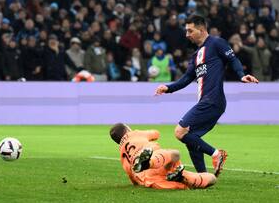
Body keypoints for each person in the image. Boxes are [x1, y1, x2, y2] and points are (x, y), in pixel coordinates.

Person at [155, 15, 259, 174]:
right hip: (206, 101)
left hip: (214, 100)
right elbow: (186, 79)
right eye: (186, 31)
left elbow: (233, 59)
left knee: (180, 132)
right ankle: (202, 176)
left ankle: (217, 154)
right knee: (191, 138)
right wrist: (168, 88)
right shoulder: (195, 55)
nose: (187, 34)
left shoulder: (217, 43)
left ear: (201, 29)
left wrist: (241, 75)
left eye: (190, 30)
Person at [109, 123, 217, 189]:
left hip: (150, 179)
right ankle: (149, 163)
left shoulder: (123, 157)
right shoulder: (135, 133)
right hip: (158, 160)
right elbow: (156, 133)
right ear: (127, 129)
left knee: (174, 182)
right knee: (175, 154)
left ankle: (178, 177)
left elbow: (133, 179)